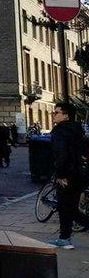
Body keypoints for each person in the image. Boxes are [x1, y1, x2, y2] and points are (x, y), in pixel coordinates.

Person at [48, 103, 89, 249]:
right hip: (80, 174)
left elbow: (61, 155)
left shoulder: (60, 131)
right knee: (65, 207)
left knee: (69, 208)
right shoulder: (77, 129)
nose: (54, 115)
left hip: (68, 175)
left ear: (66, 115)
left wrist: (61, 175)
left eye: (57, 112)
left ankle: (65, 238)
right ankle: (64, 238)